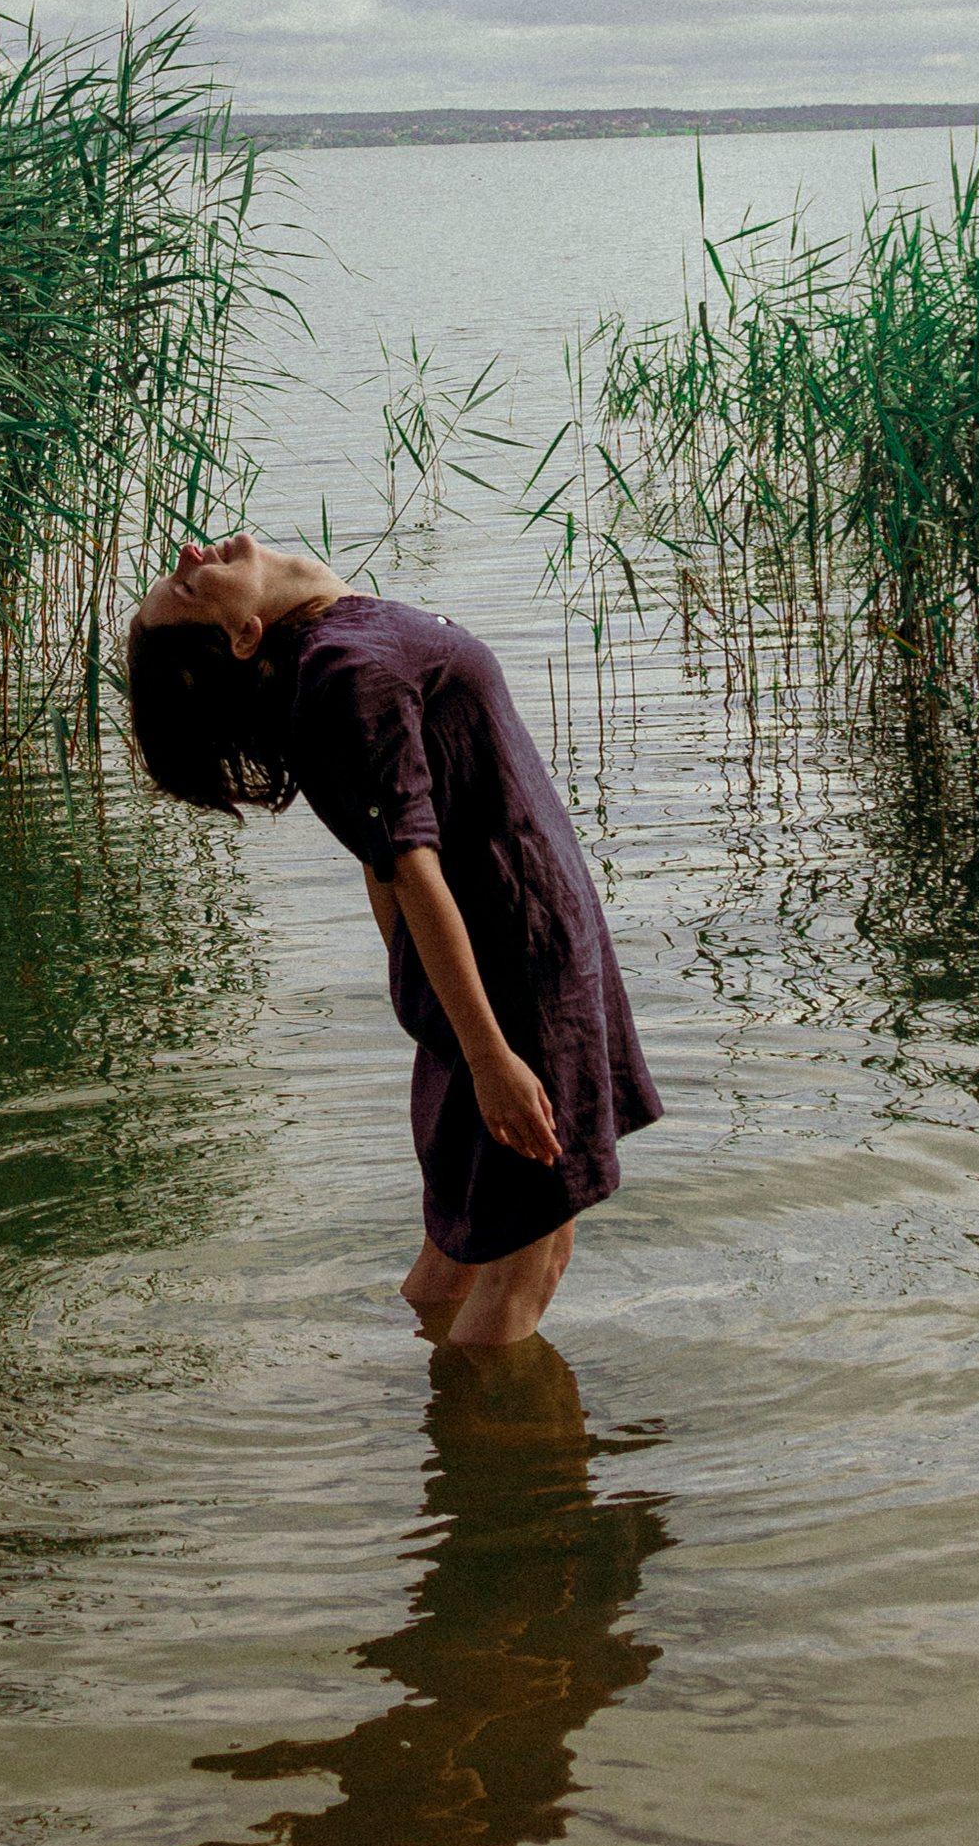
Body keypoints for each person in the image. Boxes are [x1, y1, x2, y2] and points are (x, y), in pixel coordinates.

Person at [127, 534, 660, 1349]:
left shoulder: (339, 649)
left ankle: (404, 1396)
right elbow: (407, 868)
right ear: (243, 637)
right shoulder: (344, 675)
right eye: (190, 586)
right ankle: (492, 1460)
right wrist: (487, 1057)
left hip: (493, 970)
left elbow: (384, 864)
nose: (193, 553)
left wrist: (428, 1001)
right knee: (532, 1254)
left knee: (464, 1241)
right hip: (510, 980)